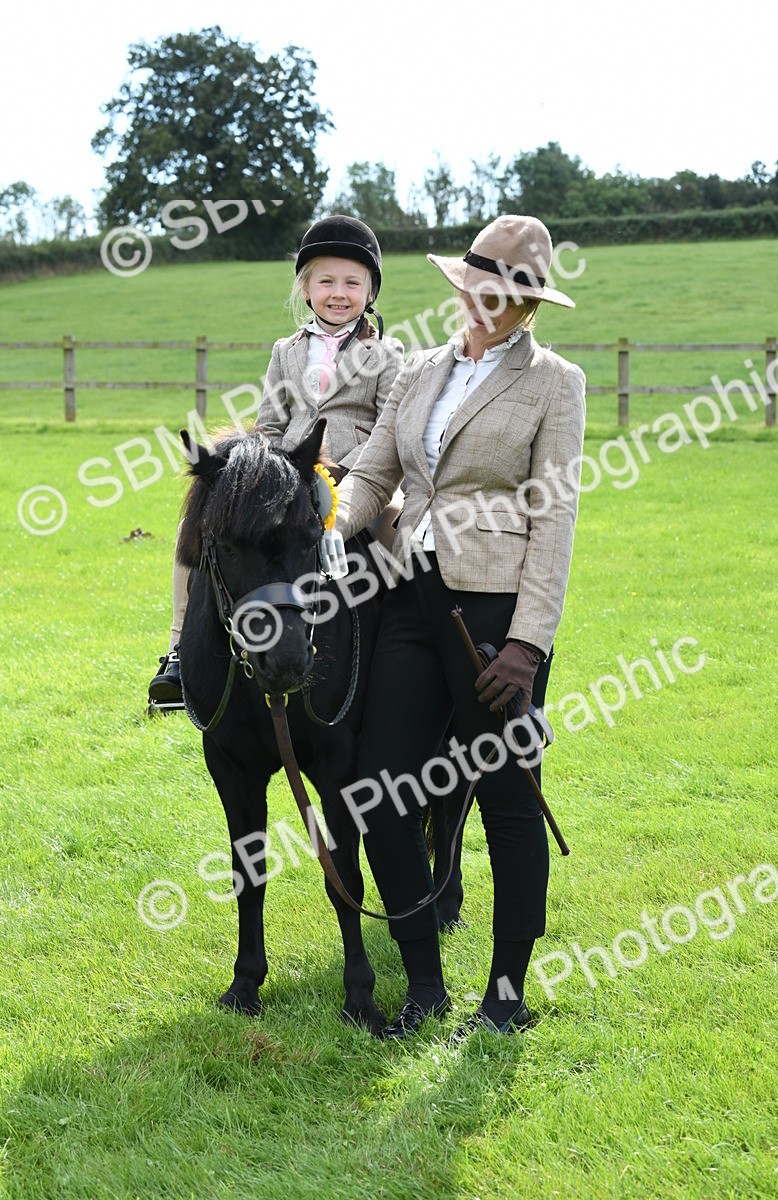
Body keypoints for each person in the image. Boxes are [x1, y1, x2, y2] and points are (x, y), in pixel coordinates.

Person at [333, 214, 586, 1042]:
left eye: (507, 300)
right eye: (478, 293)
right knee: (377, 792)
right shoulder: (418, 370)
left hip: (495, 617)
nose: (488, 309)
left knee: (508, 799)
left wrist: (528, 644)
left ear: (529, 307)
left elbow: (554, 519)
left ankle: (506, 994)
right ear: (461, 288)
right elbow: (374, 469)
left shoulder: (556, 383)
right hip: (411, 595)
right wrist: (330, 535)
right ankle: (425, 987)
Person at [148, 215, 404, 708]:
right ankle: (180, 648)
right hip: (287, 479)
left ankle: (403, 653)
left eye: (352, 283)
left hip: (361, 478)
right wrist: (268, 471)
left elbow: (386, 431)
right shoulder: (285, 351)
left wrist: (339, 472)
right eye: (325, 281)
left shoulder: (387, 353)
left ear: (370, 292)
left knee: (400, 534)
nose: (338, 292)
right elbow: (268, 424)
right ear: (306, 289)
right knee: (197, 529)